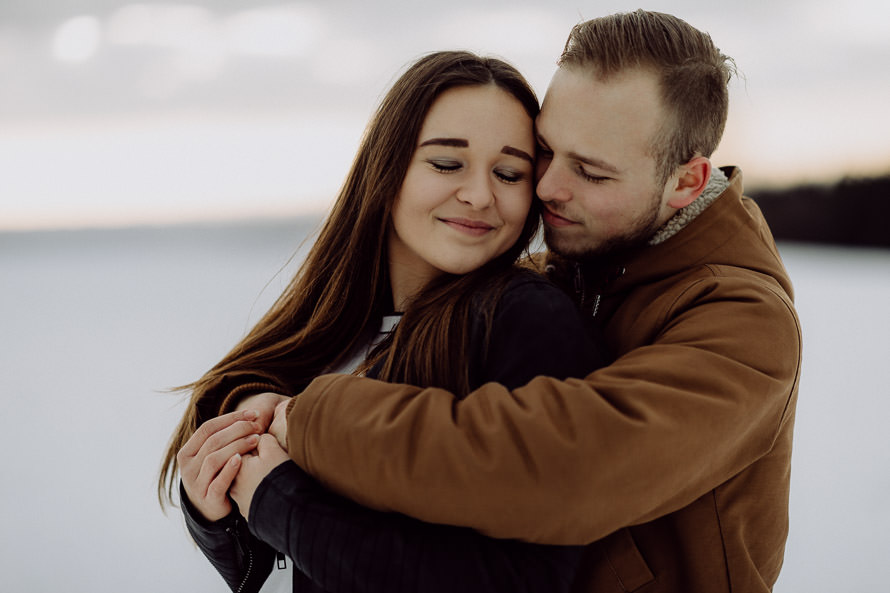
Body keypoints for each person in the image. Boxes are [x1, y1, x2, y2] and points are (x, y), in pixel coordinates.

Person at [263, 10, 803, 593]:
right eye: (546, 150)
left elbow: (562, 471)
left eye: (592, 172)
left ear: (686, 183)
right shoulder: (571, 271)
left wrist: (308, 420)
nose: (546, 187)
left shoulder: (743, 319)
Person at [159, 51, 605, 592]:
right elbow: (280, 572)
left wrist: (275, 499)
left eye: (509, 173)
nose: (480, 194)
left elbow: (521, 580)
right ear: (388, 168)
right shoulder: (333, 331)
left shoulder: (525, 320)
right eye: (447, 163)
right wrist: (219, 502)